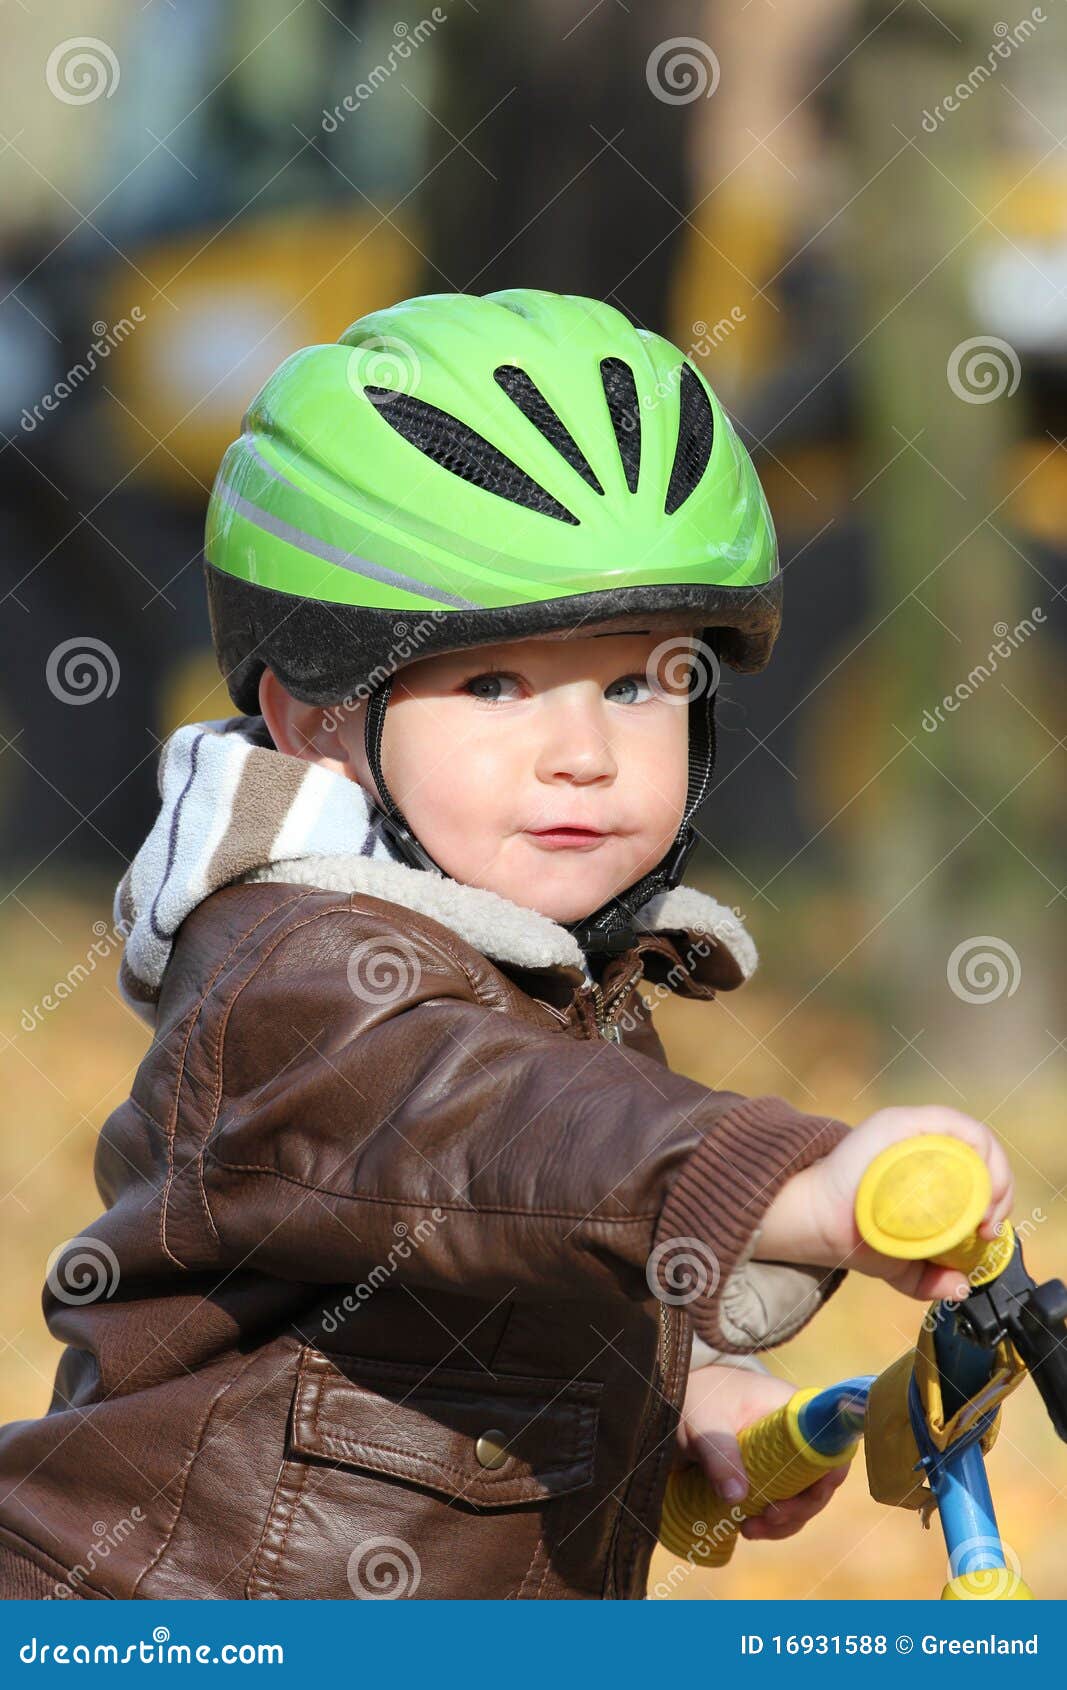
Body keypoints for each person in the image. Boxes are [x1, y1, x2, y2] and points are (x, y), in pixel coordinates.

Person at [0, 290, 1012, 1601]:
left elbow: (474, 1243)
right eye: (493, 684)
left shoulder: (533, 956)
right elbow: (499, 1127)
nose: (584, 750)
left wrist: (677, 1384)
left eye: (642, 682)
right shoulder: (297, 974)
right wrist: (780, 1178)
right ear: (315, 713)